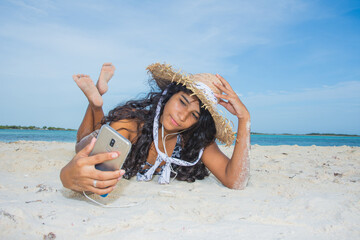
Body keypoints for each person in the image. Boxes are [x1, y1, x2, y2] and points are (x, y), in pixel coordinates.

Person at [60, 62, 251, 196]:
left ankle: (97, 101)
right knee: (86, 141)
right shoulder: (131, 126)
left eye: (194, 115)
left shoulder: (193, 140)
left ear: (198, 123)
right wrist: (67, 177)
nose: (183, 116)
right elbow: (86, 163)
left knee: (101, 133)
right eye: (183, 102)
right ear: (168, 96)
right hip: (118, 129)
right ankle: (95, 103)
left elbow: (235, 181)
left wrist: (244, 119)